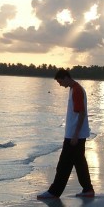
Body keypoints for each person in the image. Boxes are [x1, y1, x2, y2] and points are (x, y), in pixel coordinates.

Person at [38, 69, 95, 199]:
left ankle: (54, 192)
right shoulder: (74, 89)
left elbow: (82, 113)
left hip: (74, 136)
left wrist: (75, 135)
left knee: (64, 164)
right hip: (76, 135)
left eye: (59, 81)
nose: (59, 85)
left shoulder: (77, 90)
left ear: (65, 78)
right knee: (79, 163)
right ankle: (88, 189)